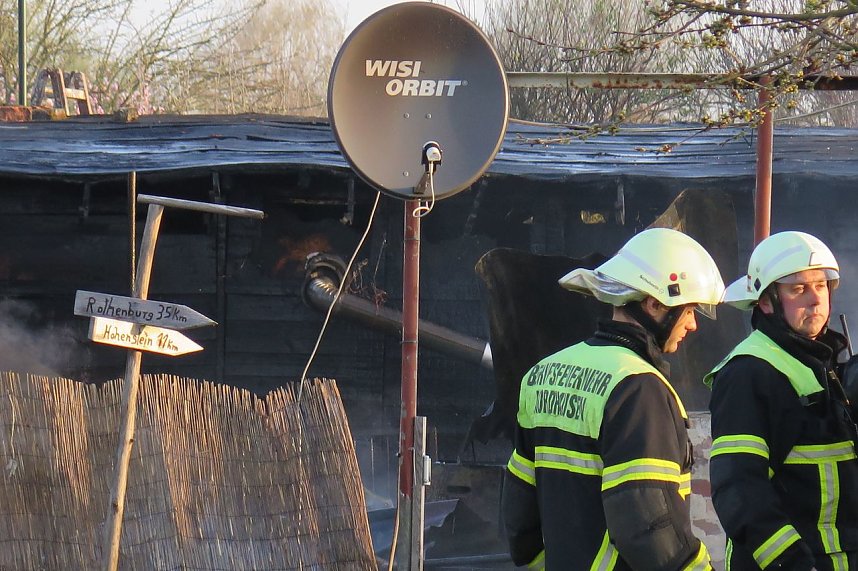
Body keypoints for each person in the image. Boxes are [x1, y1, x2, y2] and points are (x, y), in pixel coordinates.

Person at [502, 227, 723, 571]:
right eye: (689, 309)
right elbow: (650, 527)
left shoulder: (542, 373)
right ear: (654, 304)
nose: (693, 325)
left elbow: (519, 518)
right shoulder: (638, 387)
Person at [704, 231, 858, 571]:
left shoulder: (825, 363)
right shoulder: (748, 373)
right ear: (767, 301)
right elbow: (740, 491)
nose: (816, 300)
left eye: (820, 285)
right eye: (798, 289)